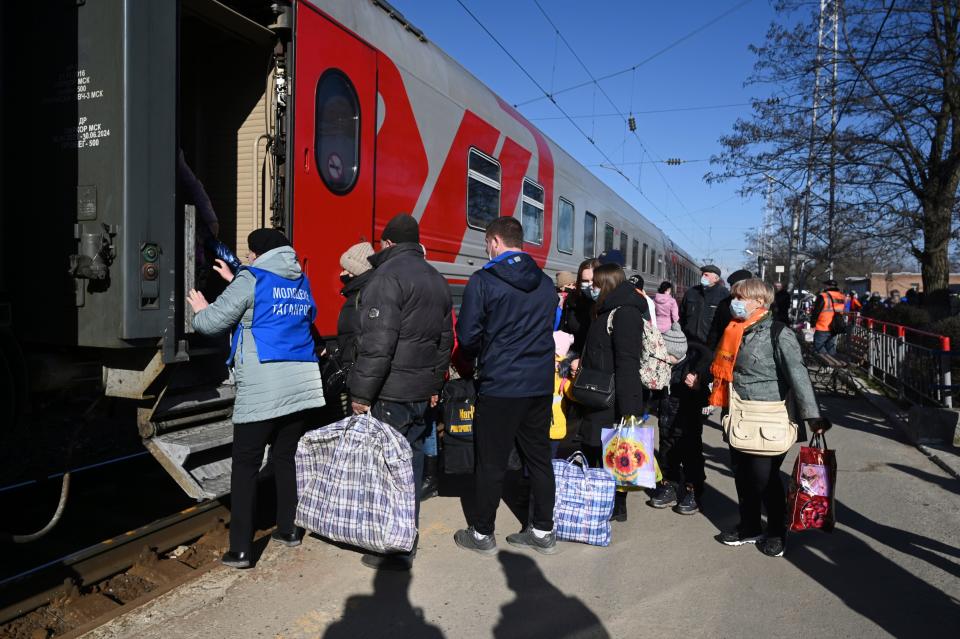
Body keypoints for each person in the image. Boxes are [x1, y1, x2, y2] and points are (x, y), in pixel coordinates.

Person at [187, 229, 326, 569]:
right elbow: (277, 307)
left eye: (250, 252)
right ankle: (289, 530)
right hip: (301, 386)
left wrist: (201, 307)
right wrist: (235, 280)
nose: (247, 258)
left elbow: (210, 323)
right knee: (284, 457)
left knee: (246, 465)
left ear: (260, 253)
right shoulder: (300, 281)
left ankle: (241, 551)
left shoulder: (250, 279)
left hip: (265, 388)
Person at [348, 213, 453, 571]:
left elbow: (378, 344)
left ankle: (391, 547)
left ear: (389, 242)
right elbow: (445, 341)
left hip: (390, 392)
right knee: (411, 464)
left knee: (387, 469)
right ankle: (406, 540)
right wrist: (435, 383)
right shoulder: (436, 279)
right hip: (420, 392)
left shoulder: (386, 278)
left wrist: (361, 394)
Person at [453, 217, 559, 556]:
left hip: (500, 384)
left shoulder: (483, 281)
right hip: (539, 383)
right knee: (539, 458)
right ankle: (543, 531)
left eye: (487, 243)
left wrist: (482, 352)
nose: (486, 249)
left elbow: (467, 336)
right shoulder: (546, 284)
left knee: (491, 461)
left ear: (495, 240)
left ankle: (482, 533)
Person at [708, 278, 829, 557]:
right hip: (738, 414)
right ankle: (749, 527)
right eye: (733, 296)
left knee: (765, 479)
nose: (733, 302)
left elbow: (799, 377)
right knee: (742, 475)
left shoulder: (779, 333)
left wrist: (813, 417)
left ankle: (776, 531)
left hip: (769, 419)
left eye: (740, 297)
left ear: (759, 302)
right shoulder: (734, 330)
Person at [574, 263, 646, 521]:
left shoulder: (625, 313)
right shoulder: (606, 309)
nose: (591, 288)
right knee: (601, 450)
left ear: (606, 285)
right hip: (600, 394)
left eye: (595, 284)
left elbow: (628, 363)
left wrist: (630, 411)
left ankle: (616, 505)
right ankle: (605, 501)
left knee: (615, 452)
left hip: (613, 397)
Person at [648, 323, 712, 514]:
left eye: (667, 354)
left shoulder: (692, 370)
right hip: (666, 420)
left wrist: (698, 387)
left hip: (687, 424)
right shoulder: (665, 366)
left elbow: (704, 399)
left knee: (692, 457)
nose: (663, 357)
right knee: (667, 455)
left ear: (676, 352)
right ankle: (670, 485)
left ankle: (694, 489)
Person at [336, 241, 375, 366]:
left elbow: (353, 340)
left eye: (344, 269)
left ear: (354, 270)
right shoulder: (363, 292)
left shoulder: (358, 298)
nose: (341, 274)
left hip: (354, 371)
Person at [560, 258, 600, 368]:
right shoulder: (571, 300)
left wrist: (582, 361)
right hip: (570, 360)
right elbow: (563, 329)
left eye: (594, 280)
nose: (589, 285)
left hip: (592, 364)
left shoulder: (604, 303)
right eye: (585, 281)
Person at [679, 265, 728, 346]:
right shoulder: (691, 292)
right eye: (702, 274)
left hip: (710, 343)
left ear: (716, 279)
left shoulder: (723, 294)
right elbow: (682, 314)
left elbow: (725, 321)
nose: (703, 277)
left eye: (706, 275)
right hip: (689, 340)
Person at [706, 269, 752, 349]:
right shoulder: (724, 303)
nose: (732, 289)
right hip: (725, 348)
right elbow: (715, 329)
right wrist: (711, 350)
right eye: (732, 286)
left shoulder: (756, 302)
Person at [810, 279, 845, 355]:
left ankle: (828, 361)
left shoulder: (823, 296)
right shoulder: (841, 296)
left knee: (818, 345)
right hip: (835, 326)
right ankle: (832, 364)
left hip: (823, 325)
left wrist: (812, 324)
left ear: (828, 286)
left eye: (825, 285)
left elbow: (816, 311)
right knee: (831, 347)